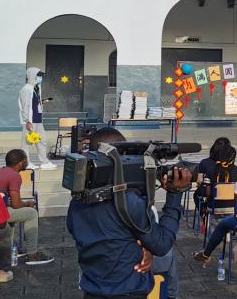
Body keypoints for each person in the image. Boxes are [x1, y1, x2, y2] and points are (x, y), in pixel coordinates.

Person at [67, 127, 190, 299]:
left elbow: (106, 239)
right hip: (128, 292)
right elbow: (162, 244)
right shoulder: (128, 201)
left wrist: (141, 248)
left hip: (92, 291)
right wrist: (175, 194)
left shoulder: (77, 201)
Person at [0, 149, 54, 267]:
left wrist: (20, 203)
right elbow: (16, 204)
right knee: (31, 213)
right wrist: (28, 203)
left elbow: (6, 201)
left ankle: (9, 251)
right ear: (20, 163)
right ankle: (32, 254)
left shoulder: (0, 171)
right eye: (26, 160)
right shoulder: (14, 176)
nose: (27, 163)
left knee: (12, 217)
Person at [17, 66, 56, 170]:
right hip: (30, 121)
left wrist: (42, 102)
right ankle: (26, 163)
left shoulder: (36, 88)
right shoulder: (26, 89)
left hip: (37, 120)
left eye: (41, 76)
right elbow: (25, 106)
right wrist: (27, 121)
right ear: (32, 76)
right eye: (38, 75)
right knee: (27, 143)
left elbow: (34, 103)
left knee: (41, 140)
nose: (40, 78)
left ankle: (44, 162)